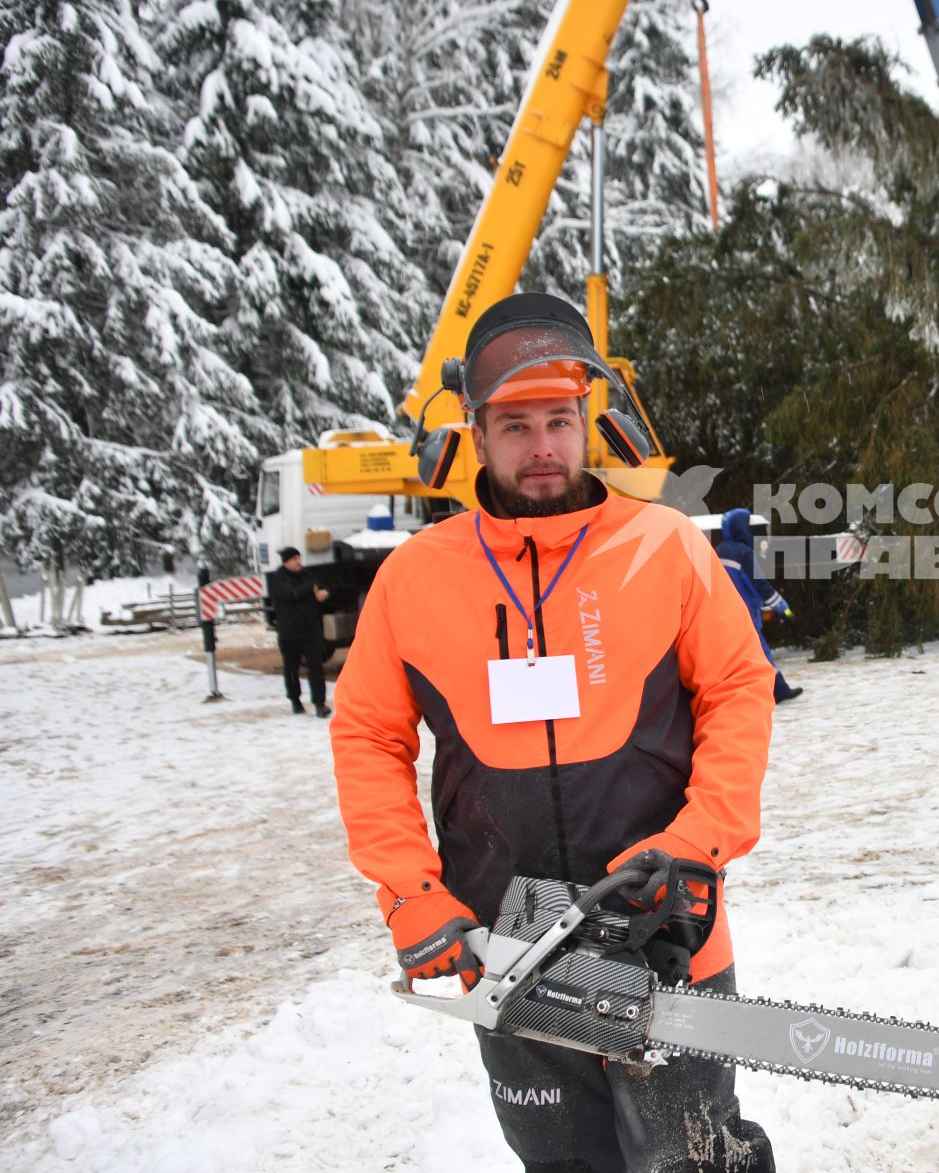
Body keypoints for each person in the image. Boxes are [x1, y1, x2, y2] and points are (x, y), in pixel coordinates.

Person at [329, 293, 777, 1172]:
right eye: (516, 425)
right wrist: (411, 893)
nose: (543, 447)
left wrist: (697, 844)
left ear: (587, 424)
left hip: (662, 926)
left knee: (696, 1158)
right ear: (474, 433)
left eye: (560, 421)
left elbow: (737, 690)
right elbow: (368, 737)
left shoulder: (664, 545)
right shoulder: (416, 578)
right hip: (506, 942)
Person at [715, 508, 801, 703]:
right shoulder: (743, 553)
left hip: (724, 610)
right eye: (747, 525)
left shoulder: (720, 550)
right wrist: (783, 608)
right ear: (740, 528)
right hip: (745, 611)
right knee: (760, 650)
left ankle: (737, 695)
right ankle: (778, 690)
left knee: (733, 655)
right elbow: (759, 583)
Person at [267, 547, 330, 716]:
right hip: (290, 632)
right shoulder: (277, 579)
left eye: (299, 558)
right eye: (294, 559)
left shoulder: (306, 575)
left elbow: (322, 589)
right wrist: (311, 587)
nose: (298, 562)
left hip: (311, 630)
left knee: (316, 666)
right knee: (291, 668)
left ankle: (320, 703)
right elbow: (292, 594)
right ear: (286, 561)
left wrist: (323, 593)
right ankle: (295, 700)